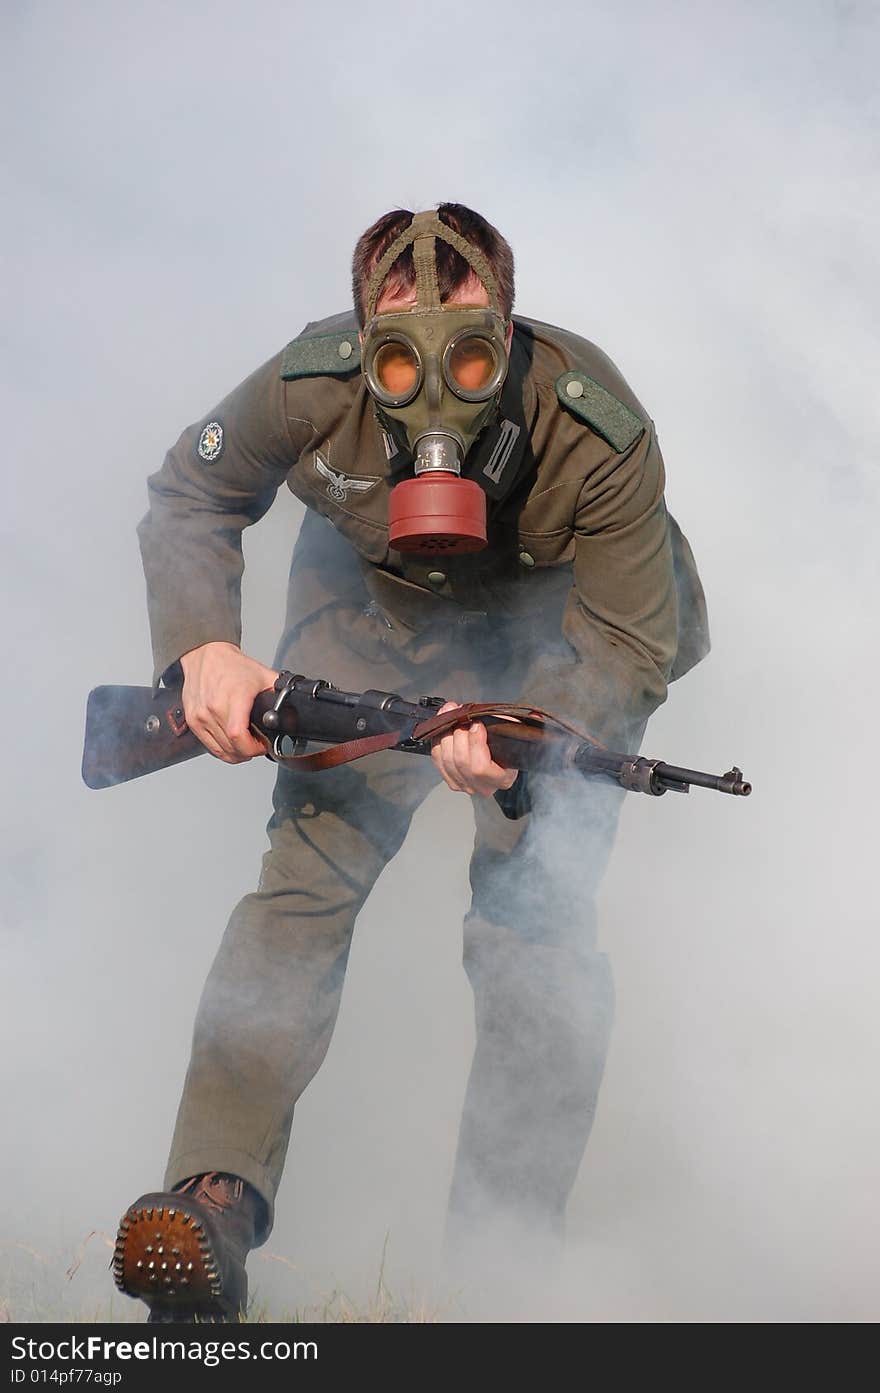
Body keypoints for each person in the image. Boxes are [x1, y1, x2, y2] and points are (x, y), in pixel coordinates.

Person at [112, 204, 709, 1322]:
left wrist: (531, 744)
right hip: (369, 614)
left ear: (512, 332)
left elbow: (632, 638)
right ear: (357, 344)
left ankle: (503, 1263)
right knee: (302, 887)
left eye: (473, 352)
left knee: (534, 917)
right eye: (397, 355)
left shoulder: (598, 426)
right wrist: (205, 650)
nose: (436, 385)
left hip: (558, 636)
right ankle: (210, 1208)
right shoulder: (308, 386)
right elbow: (192, 493)